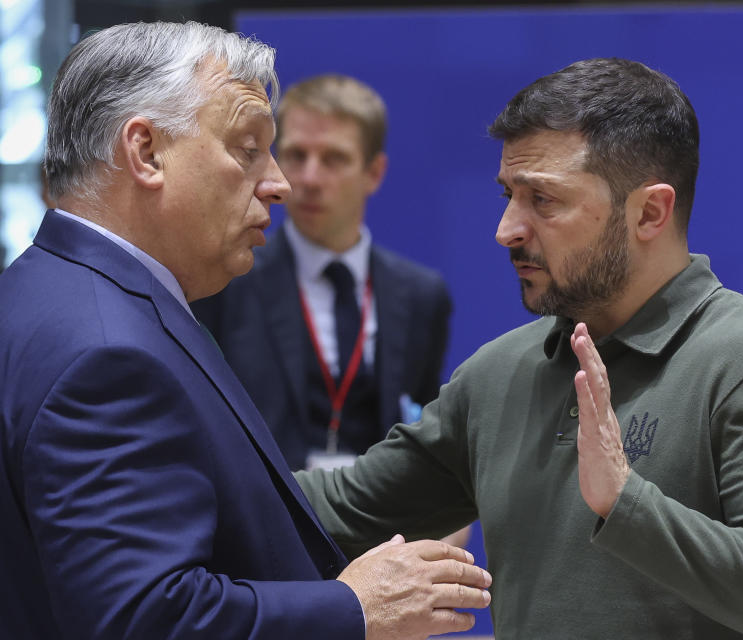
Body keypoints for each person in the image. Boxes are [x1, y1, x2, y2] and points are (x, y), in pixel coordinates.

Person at [296, 58, 743, 639]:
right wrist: (206, 463)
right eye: (508, 195)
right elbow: (333, 511)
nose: (507, 229)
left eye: (542, 199)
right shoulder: (497, 375)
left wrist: (627, 504)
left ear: (649, 212)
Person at [0, 21, 490, 640]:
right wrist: (354, 609)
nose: (280, 183)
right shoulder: (106, 351)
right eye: (247, 147)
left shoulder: (49, 291)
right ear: (146, 152)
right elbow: (145, 620)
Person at [192, 74, 452, 473]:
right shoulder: (227, 279)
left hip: (381, 523)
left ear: (374, 173)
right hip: (264, 519)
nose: (309, 179)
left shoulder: (421, 296)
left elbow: (423, 437)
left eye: (333, 159)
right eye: (296, 156)